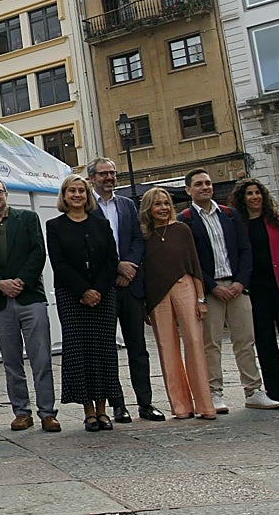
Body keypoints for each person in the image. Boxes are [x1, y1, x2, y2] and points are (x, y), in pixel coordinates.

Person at [178, 168, 279, 412]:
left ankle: (254, 390)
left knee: (245, 340)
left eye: (208, 183)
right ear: (189, 190)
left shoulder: (230, 215)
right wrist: (212, 287)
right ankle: (214, 392)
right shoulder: (186, 220)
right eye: (199, 184)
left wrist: (240, 282)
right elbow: (189, 259)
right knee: (210, 343)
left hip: (236, 286)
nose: (205, 187)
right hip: (210, 289)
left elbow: (245, 250)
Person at [0, 178, 61, 432]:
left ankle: (47, 412)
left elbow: (37, 252)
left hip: (30, 297)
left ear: (6, 194)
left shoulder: (28, 219)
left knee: (41, 358)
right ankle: (21, 412)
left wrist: (21, 281)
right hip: (0, 303)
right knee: (11, 362)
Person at [88, 157, 164, 423]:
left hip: (131, 285)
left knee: (138, 347)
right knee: (107, 349)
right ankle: (118, 404)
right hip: (104, 287)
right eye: (103, 174)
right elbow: (91, 248)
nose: (109, 178)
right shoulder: (86, 208)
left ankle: (146, 402)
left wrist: (128, 267)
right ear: (92, 178)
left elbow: (136, 239)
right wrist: (116, 268)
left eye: (112, 173)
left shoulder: (127, 205)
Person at [228, 178, 279, 408]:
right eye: (249, 194)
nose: (255, 197)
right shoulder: (239, 224)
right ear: (242, 199)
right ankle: (276, 393)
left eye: (258, 192)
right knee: (265, 342)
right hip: (255, 291)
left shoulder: (277, 220)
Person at [47, 175, 121, 432]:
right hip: (71, 296)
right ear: (64, 196)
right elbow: (59, 263)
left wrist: (97, 289)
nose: (77, 195)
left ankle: (103, 410)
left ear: (87, 196)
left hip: (103, 295)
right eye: (72, 191)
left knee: (103, 350)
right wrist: (83, 290)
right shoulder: (54, 226)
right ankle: (88, 410)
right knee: (80, 350)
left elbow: (112, 260)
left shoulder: (102, 224)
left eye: (81, 191)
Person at [139, 187, 215, 419]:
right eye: (157, 204)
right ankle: (180, 406)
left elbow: (195, 265)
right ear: (148, 209)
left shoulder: (182, 229)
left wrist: (201, 299)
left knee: (194, 342)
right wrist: (144, 305)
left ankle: (205, 405)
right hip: (156, 294)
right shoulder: (143, 236)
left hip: (185, 286)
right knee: (166, 347)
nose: (163, 208)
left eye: (165, 203)